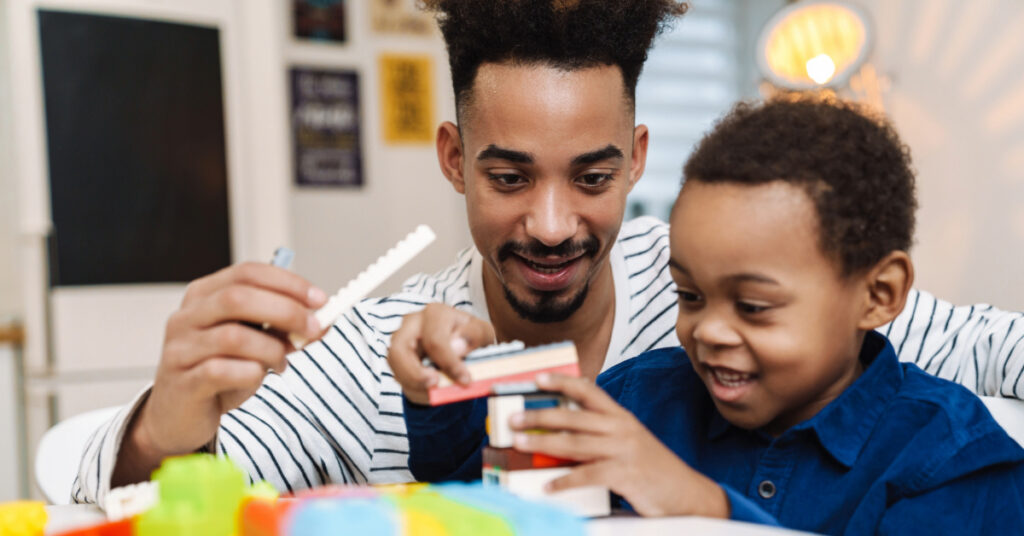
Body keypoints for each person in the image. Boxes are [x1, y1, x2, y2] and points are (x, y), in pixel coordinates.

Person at [73, 0, 1024, 504]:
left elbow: (981, 350)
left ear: (640, 157)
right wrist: (163, 427)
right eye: (511, 176)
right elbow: (169, 497)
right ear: (454, 160)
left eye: (594, 177)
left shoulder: (710, 300)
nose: (555, 223)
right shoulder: (378, 351)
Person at [488, 98, 1024, 532]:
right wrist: (441, 392)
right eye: (689, 295)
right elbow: (499, 504)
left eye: (753, 307)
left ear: (878, 294)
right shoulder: (637, 400)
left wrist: (708, 513)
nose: (709, 332)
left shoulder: (951, 459)